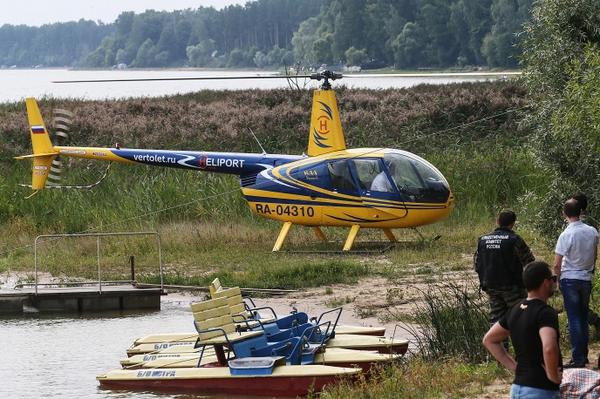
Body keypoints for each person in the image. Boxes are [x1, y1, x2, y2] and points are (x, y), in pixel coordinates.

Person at [483, 261, 562, 399]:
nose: (554, 283)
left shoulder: (515, 310)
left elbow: (489, 340)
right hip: (540, 390)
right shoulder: (545, 313)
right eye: (553, 279)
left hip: (517, 388)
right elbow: (549, 347)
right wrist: (553, 376)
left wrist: (515, 367)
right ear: (545, 282)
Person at [554, 198, 599, 368]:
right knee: (582, 316)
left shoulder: (566, 234)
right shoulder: (592, 231)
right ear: (581, 212)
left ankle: (578, 358)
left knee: (574, 319)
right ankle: (583, 354)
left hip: (570, 278)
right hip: (586, 278)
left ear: (563, 214)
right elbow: (594, 255)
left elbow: (557, 263)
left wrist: (556, 280)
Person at [474, 210, 535, 326]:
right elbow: (530, 263)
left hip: (490, 285)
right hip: (512, 287)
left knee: (496, 320)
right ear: (513, 223)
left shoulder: (482, 240)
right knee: (521, 316)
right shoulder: (514, 239)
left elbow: (477, 265)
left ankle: (498, 343)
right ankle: (522, 342)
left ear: (497, 221)